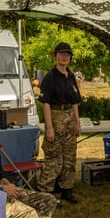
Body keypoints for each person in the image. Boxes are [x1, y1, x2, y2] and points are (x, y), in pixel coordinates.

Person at [37, 42, 82, 204]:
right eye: (61, 54)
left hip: (69, 119)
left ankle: (66, 190)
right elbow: (46, 103)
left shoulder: (71, 77)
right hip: (55, 118)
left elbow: (75, 102)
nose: (65, 57)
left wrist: (77, 123)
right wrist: (49, 127)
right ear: (55, 56)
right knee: (54, 158)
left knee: (70, 157)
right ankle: (45, 192)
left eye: (67, 54)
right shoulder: (50, 78)